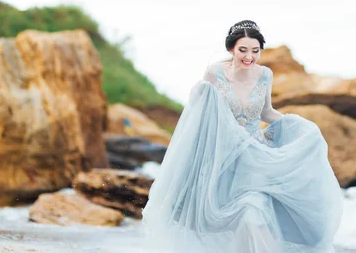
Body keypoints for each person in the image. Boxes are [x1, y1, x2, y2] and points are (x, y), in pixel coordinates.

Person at [142, 20, 342, 253]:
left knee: (254, 214)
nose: (249, 57)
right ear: (231, 50)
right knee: (238, 220)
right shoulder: (215, 73)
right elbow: (201, 112)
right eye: (243, 50)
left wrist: (295, 123)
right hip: (223, 156)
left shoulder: (265, 74)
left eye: (255, 51)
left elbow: (266, 112)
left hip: (255, 157)